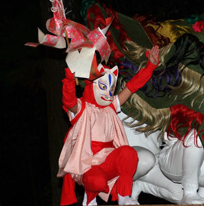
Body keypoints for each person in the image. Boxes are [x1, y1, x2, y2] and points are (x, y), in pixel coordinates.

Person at [57, 46, 159, 206]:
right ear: (92, 85)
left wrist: (150, 66)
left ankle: (124, 196)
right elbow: (69, 101)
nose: (108, 93)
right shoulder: (82, 108)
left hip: (109, 160)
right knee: (96, 181)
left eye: (111, 89)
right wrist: (69, 81)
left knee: (128, 153)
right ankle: (89, 200)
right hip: (87, 164)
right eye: (104, 87)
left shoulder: (111, 106)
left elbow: (132, 86)